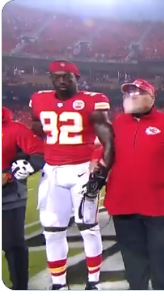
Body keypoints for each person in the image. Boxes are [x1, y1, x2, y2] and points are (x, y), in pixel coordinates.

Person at [92, 79, 164, 290]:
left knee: (160, 247)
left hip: (158, 201)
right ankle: (137, 288)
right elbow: (102, 148)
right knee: (130, 249)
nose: (133, 96)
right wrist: (96, 159)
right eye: (129, 93)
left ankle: (162, 287)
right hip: (122, 200)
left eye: (138, 93)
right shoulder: (117, 124)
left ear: (152, 97)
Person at [29, 60, 115, 290]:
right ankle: (58, 284)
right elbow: (36, 124)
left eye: (68, 76)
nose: (62, 81)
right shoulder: (39, 98)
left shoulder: (91, 100)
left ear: (77, 78)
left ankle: (93, 282)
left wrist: (101, 174)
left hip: (82, 170)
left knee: (88, 228)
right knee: (52, 230)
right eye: (57, 76)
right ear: (51, 78)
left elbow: (108, 137)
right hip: (52, 171)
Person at [2, 107, 45, 290]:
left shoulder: (15, 129)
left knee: (13, 245)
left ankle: (20, 288)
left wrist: (10, 175)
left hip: (9, 197)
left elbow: (39, 154)